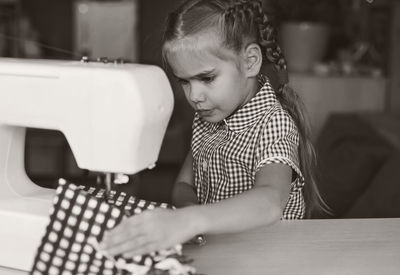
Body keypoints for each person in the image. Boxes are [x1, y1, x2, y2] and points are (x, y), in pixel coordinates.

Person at [101, 0, 327, 258]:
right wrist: (186, 214)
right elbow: (185, 183)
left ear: (250, 62)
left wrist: (191, 220)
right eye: (184, 81)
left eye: (207, 78)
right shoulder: (207, 119)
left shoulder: (273, 122)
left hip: (272, 257)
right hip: (225, 253)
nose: (194, 96)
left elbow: (270, 201)